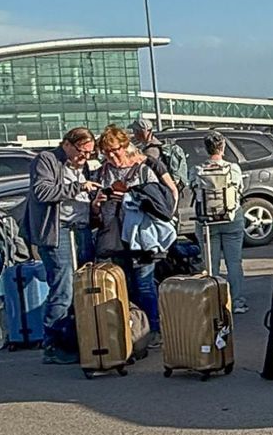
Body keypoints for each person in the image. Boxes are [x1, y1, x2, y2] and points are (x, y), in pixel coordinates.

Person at [26, 127, 100, 365]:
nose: (85, 157)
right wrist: (78, 187)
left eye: (89, 153)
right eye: (82, 151)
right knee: (63, 288)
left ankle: (75, 339)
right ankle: (53, 344)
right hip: (58, 232)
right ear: (68, 144)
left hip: (81, 228)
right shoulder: (47, 160)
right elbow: (42, 191)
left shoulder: (83, 165)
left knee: (82, 286)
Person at [94, 124, 168, 345]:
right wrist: (97, 204)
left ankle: (153, 330)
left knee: (144, 285)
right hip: (112, 237)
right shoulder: (101, 173)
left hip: (140, 238)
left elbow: (158, 203)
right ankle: (130, 330)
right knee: (121, 286)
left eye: (115, 150)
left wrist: (131, 195)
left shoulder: (143, 171)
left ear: (125, 146)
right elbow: (94, 213)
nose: (112, 155)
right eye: (106, 152)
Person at [190, 131, 249, 313]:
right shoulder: (234, 169)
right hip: (231, 218)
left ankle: (215, 302)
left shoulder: (197, 170)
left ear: (206, 149)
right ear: (223, 148)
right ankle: (237, 302)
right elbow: (240, 189)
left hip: (207, 223)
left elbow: (192, 188)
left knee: (211, 264)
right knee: (234, 262)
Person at [128, 118, 180, 204]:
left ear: (141, 131)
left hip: (160, 191)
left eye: (135, 131)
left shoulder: (152, 150)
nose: (134, 134)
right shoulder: (147, 146)